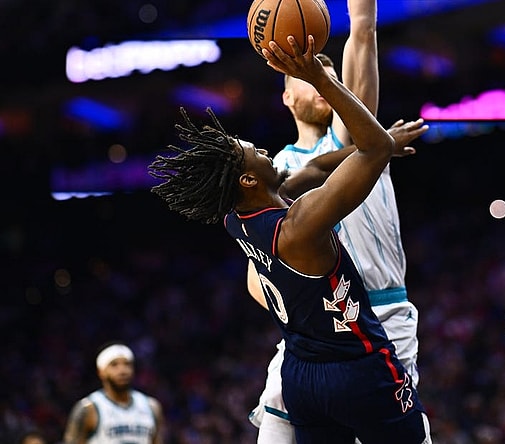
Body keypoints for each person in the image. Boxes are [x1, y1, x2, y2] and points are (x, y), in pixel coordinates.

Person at [148, 35, 430, 443]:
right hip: (356, 361)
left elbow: (313, 169)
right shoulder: (300, 224)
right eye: (255, 152)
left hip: (301, 368)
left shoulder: (238, 218)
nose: (264, 150)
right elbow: (375, 148)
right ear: (248, 179)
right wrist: (320, 78)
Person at [248, 1, 427, 442]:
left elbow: (362, 30)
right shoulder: (273, 174)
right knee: (274, 429)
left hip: (381, 311)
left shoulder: (359, 137)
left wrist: (323, 76)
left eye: (329, 79)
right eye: (307, 80)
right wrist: (303, 310)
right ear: (287, 95)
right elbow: (256, 278)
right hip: (311, 331)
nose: (321, 85)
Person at [63, 342, 164, 444]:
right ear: (101, 372)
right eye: (114, 365)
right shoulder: (89, 408)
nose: (122, 370)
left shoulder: (151, 406)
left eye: (127, 364)